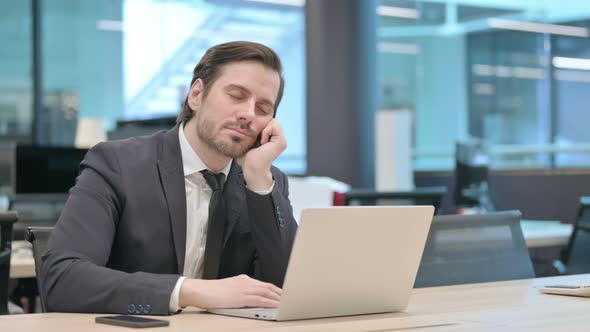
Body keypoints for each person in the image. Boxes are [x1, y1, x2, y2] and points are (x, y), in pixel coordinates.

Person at [42, 41, 298, 315]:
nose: (248, 113)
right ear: (197, 94)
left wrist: (260, 181)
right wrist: (189, 291)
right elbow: (62, 280)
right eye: (236, 95)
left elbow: (289, 288)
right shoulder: (117, 164)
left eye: (262, 108)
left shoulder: (263, 181)